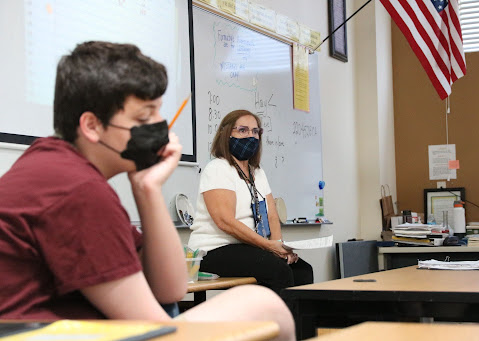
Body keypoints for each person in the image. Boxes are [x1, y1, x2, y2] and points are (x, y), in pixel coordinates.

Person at [0, 41, 295, 341]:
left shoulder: (52, 161)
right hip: (36, 334)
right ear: (91, 125)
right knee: (265, 305)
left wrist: (148, 189)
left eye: (158, 114)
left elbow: (170, 290)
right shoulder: (76, 189)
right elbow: (153, 325)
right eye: (143, 118)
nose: (159, 128)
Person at [187, 110, 314, 295]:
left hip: (249, 248)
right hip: (214, 249)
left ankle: (298, 324)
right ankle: (276, 323)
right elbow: (225, 221)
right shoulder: (218, 169)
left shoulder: (258, 173)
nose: (251, 136)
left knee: (302, 270)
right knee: (278, 271)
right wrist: (269, 246)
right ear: (226, 134)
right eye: (243, 130)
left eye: (255, 131)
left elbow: (271, 215)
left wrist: (280, 247)